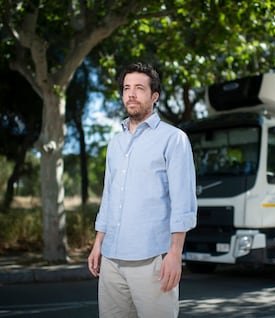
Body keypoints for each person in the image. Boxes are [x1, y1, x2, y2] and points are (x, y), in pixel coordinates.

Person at [87, 62, 197, 318]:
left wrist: (175, 254)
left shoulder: (173, 138)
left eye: (139, 88)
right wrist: (98, 244)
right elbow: (109, 196)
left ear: (154, 96)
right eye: (127, 88)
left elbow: (183, 201)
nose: (131, 94)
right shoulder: (115, 143)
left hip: (152, 260)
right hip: (112, 260)